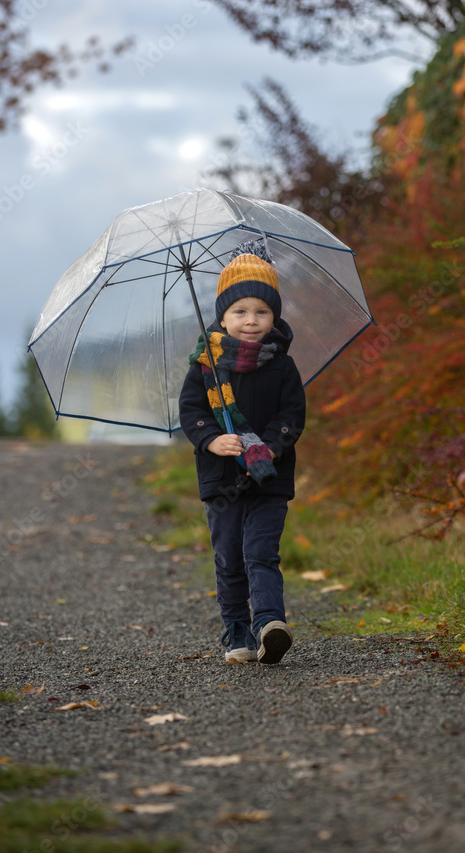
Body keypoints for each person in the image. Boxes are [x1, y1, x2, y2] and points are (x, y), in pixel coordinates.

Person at [178, 239, 306, 664]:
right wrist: (212, 439)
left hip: (270, 479)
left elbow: (292, 415)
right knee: (230, 556)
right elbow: (191, 411)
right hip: (223, 481)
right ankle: (237, 631)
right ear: (223, 315)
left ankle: (270, 624)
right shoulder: (206, 365)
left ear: (274, 315)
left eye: (261, 312)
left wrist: (269, 446)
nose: (251, 321)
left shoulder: (282, 365)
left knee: (261, 553)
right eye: (240, 311)